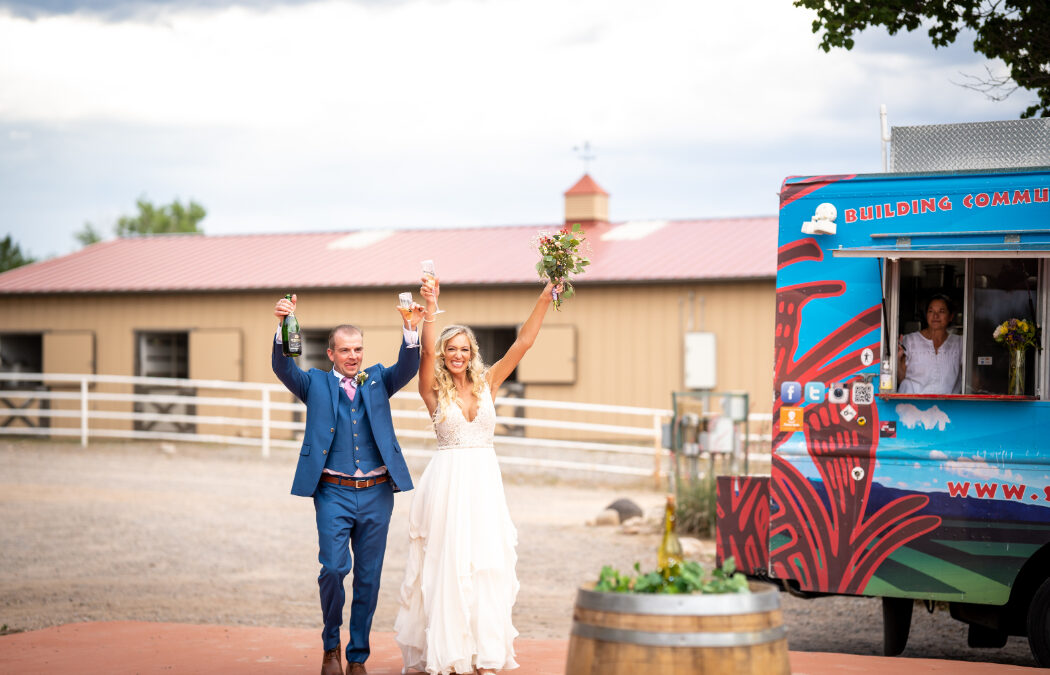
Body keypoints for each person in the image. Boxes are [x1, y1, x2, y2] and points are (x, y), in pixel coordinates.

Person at [394, 278, 561, 675]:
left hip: (484, 483)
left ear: (472, 354)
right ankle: (450, 652)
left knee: (486, 562)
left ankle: (484, 652)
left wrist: (545, 295)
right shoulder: (432, 389)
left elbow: (523, 344)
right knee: (449, 564)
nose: (456, 354)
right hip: (448, 484)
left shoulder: (489, 384)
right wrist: (431, 306)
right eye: (451, 349)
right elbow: (426, 351)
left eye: (463, 349)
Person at [272, 293, 424, 675]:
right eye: (345, 350)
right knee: (334, 569)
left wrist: (410, 327)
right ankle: (330, 645)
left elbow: (408, 366)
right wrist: (282, 327)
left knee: (369, 578)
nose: (353, 356)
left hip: (376, 494)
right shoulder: (315, 384)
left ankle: (357, 657)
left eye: (358, 349)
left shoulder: (377, 380)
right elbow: (283, 368)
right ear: (331, 354)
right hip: (332, 492)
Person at [897, 294, 962, 394]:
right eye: (931, 311)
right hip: (912, 405)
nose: (935, 316)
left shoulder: (959, 343)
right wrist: (897, 358)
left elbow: (973, 381)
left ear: (951, 316)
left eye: (942, 311)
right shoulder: (910, 341)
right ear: (926, 315)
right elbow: (900, 379)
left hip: (948, 407)